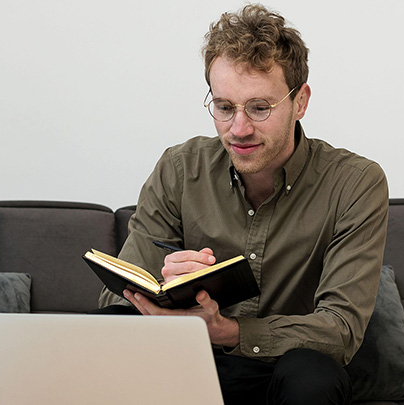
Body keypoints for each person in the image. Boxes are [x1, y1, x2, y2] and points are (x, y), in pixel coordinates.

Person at [98, 4, 388, 404]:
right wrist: (168, 291)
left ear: (300, 102)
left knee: (313, 373)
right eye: (224, 107)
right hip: (185, 363)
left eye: (259, 107)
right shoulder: (180, 168)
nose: (239, 129)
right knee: (108, 324)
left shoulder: (355, 183)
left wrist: (226, 330)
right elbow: (117, 296)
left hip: (283, 373)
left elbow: (340, 330)